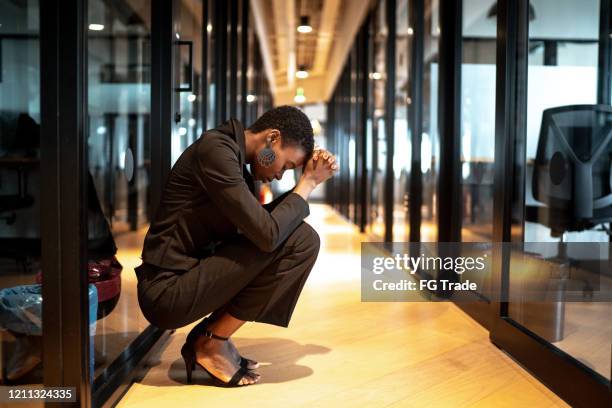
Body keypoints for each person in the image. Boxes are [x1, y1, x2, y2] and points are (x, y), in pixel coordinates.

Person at [134, 105, 338, 387]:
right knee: (300, 240)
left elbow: (263, 228)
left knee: (302, 238)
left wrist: (305, 181)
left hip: (191, 277)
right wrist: (308, 184)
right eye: (286, 165)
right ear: (272, 139)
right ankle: (211, 343)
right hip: (167, 291)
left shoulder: (234, 160)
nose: (280, 175)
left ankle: (212, 337)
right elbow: (267, 235)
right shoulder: (216, 153)